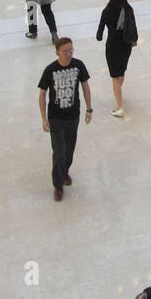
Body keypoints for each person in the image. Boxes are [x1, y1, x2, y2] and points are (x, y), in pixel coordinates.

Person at [37, 37, 92, 201]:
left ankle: (64, 171)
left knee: (69, 150)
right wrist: (43, 118)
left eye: (71, 50)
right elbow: (42, 94)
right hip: (56, 118)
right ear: (57, 53)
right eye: (65, 51)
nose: (69, 54)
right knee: (59, 151)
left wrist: (89, 108)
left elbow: (85, 86)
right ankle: (58, 185)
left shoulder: (78, 65)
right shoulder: (50, 70)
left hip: (73, 116)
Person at [96, 0, 137, 117]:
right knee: (121, 72)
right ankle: (118, 93)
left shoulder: (106, 11)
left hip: (112, 45)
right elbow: (133, 26)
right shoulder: (128, 9)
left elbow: (99, 35)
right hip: (125, 45)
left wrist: (101, 35)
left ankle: (119, 106)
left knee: (114, 76)